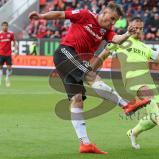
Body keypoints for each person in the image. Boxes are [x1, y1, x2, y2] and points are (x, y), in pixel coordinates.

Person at [28, 2, 150, 154]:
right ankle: (126, 104)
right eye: (111, 18)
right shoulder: (85, 15)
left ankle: (84, 143)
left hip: (75, 60)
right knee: (90, 75)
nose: (112, 23)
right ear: (104, 12)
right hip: (66, 52)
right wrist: (41, 16)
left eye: (115, 21)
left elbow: (116, 39)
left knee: (77, 99)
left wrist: (127, 33)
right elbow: (61, 14)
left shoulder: (107, 31)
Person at [94, 17, 159, 149]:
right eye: (135, 28)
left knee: (153, 116)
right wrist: (92, 71)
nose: (138, 31)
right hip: (132, 80)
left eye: (140, 28)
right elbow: (103, 54)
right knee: (155, 112)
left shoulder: (145, 47)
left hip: (148, 82)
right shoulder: (121, 40)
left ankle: (133, 132)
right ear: (129, 27)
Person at [0, 21, 17, 87]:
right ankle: (0, 80)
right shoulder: (0, 34)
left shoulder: (10, 34)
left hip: (8, 54)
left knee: (9, 68)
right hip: (1, 53)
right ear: (2, 27)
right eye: (3, 26)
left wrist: (15, 50)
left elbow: (14, 41)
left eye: (6, 26)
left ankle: (7, 79)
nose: (4, 27)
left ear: (7, 26)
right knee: (0, 67)